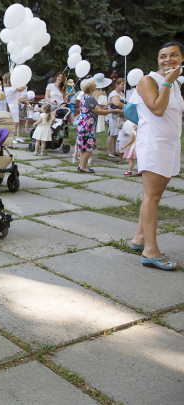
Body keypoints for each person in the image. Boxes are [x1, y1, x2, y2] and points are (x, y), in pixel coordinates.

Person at [129, 41, 183, 271]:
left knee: (156, 195)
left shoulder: (177, 84)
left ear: (182, 59)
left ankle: (139, 238)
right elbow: (157, 109)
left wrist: (173, 83)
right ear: (157, 60)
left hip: (170, 144)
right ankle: (150, 251)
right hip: (153, 143)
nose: (167, 60)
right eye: (163, 56)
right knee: (152, 196)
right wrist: (169, 82)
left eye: (174, 55)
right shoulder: (149, 80)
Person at [76, 78, 121, 174]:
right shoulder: (89, 98)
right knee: (88, 146)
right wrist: (114, 110)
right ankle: (84, 166)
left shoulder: (84, 97)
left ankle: (81, 166)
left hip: (83, 125)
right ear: (90, 87)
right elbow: (98, 111)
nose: (96, 86)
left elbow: (95, 108)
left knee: (83, 146)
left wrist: (107, 106)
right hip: (88, 126)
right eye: (94, 85)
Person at [2, 73, 26, 142]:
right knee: (15, 122)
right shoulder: (11, 88)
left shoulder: (7, 88)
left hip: (14, 106)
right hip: (12, 107)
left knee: (15, 122)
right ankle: (10, 137)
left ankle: (11, 137)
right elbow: (22, 88)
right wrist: (23, 82)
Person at [107, 78, 127, 157]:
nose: (124, 86)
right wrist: (126, 106)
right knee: (112, 133)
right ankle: (109, 151)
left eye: (124, 84)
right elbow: (117, 103)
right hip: (114, 116)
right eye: (122, 84)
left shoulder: (122, 94)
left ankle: (114, 150)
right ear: (117, 84)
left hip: (120, 116)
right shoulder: (114, 93)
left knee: (116, 133)